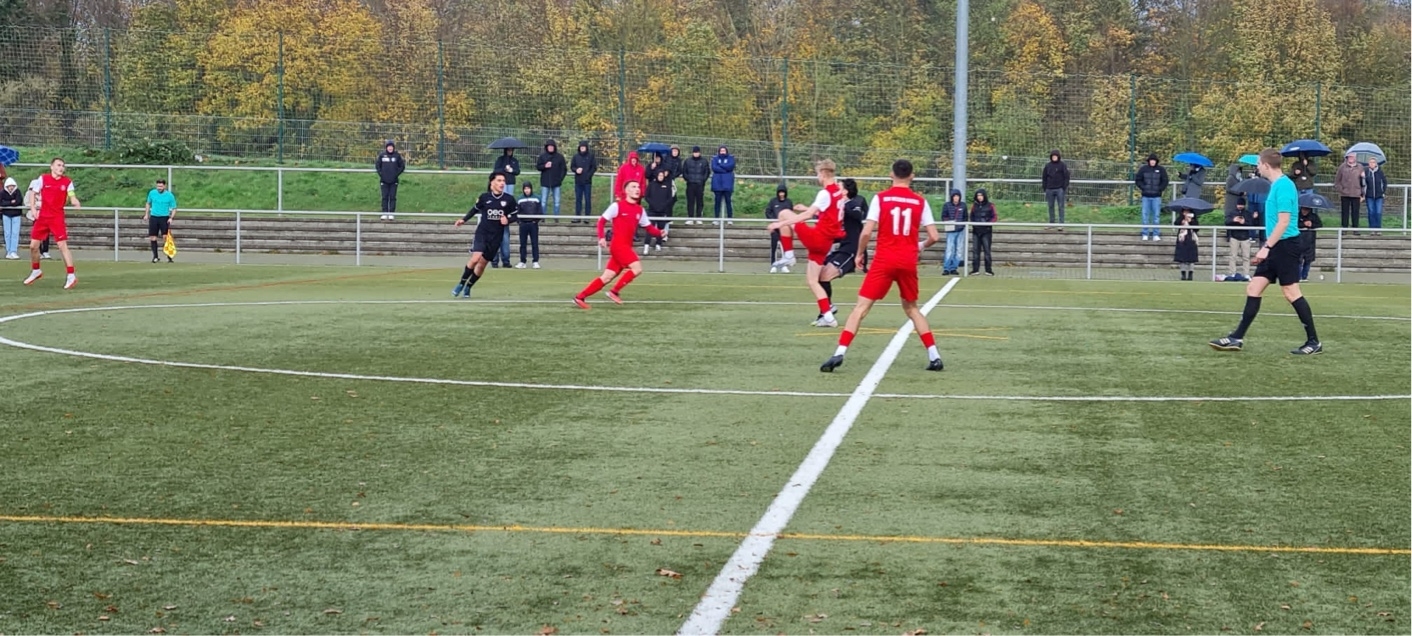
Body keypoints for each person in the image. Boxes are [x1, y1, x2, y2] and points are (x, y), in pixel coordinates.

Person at [820, 159, 943, 373]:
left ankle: (839, 352)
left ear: (891, 174)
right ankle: (934, 356)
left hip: (884, 259)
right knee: (912, 309)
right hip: (907, 260)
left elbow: (867, 232)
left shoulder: (881, 198)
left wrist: (860, 253)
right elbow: (934, 236)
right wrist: (920, 246)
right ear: (912, 176)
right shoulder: (920, 202)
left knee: (861, 308)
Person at [1209, 148, 1322, 355]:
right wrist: (1268, 247)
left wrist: (1267, 247)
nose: (1257, 167)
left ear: (1266, 165)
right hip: (1274, 246)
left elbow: (1284, 222)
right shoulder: (1276, 185)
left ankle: (1314, 342)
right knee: (1254, 288)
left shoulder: (1284, 186)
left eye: (1259, 164)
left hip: (1286, 246)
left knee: (1291, 292)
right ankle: (1236, 338)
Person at [767, 159, 846, 328]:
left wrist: (779, 224)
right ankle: (828, 317)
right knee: (812, 281)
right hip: (826, 243)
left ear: (823, 174)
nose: (817, 177)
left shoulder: (825, 193)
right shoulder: (839, 191)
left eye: (817, 174)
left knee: (784, 213)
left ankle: (789, 255)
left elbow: (808, 215)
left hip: (817, 238)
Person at [572, 180, 663, 309]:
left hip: (625, 246)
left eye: (638, 187)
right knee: (637, 269)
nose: (637, 189)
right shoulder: (617, 206)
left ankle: (580, 297)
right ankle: (614, 292)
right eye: (633, 187)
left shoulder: (640, 210)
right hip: (619, 246)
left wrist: (659, 233)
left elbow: (648, 227)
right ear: (626, 191)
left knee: (606, 277)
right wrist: (601, 238)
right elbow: (601, 222)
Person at [451, 172, 517, 298]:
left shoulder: (509, 199)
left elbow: (516, 215)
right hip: (483, 233)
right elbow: (474, 209)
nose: (502, 183)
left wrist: (508, 220)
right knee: (475, 258)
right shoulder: (484, 197)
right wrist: (463, 220)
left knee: (482, 264)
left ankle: (468, 287)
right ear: (492, 182)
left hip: (496, 237)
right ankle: (461, 283)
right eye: (499, 180)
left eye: (503, 181)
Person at [815, 178, 868, 324]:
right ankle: (826, 310)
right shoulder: (837, 206)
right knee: (818, 275)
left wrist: (843, 205)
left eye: (838, 187)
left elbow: (858, 216)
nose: (835, 190)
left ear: (845, 191)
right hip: (841, 248)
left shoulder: (853, 203)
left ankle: (827, 311)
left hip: (851, 250)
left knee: (824, 276)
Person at [23, 157, 81, 289]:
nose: (61, 168)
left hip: (56, 217)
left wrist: (74, 201)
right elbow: (33, 193)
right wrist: (33, 209)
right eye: (58, 165)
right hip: (43, 217)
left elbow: (72, 195)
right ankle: (36, 271)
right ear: (52, 167)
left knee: (62, 245)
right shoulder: (43, 179)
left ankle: (71, 275)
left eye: (63, 166)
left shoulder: (67, 182)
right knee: (33, 246)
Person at [1134, 153, 1169, 241]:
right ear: (1148, 161)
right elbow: (1138, 180)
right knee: (1145, 215)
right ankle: (1145, 233)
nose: (1152, 162)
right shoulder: (1143, 169)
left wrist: (1160, 189)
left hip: (1157, 196)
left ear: (1156, 161)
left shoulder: (1161, 169)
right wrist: (1143, 187)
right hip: (1145, 196)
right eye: (1151, 160)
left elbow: (1165, 180)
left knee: (1156, 216)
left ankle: (1155, 234)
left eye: (1154, 160)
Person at [144, 179, 178, 263]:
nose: (159, 188)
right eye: (158, 186)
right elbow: (148, 203)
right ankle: (155, 257)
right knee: (153, 237)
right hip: (154, 217)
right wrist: (146, 214)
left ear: (164, 186)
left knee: (165, 237)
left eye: (161, 186)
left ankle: (169, 256)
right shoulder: (152, 193)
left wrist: (171, 217)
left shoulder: (169, 195)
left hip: (164, 218)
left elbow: (174, 208)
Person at [643, 164, 675, 253]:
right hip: (652, 210)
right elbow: (647, 196)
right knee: (650, 228)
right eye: (659, 175)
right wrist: (652, 204)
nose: (661, 177)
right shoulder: (652, 185)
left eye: (662, 175)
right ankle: (646, 245)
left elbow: (670, 198)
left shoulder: (667, 186)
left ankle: (658, 244)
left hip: (662, 211)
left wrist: (664, 205)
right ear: (657, 175)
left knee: (661, 228)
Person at [1333, 152, 1365, 231]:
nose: (1351, 158)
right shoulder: (1342, 167)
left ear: (1355, 158)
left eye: (1352, 157)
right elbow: (1337, 181)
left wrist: (1362, 194)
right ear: (1347, 158)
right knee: (1345, 212)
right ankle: (1344, 229)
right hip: (1345, 194)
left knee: (1355, 212)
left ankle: (1355, 229)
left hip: (1356, 194)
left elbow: (1363, 182)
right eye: (1349, 157)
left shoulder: (1360, 167)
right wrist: (1341, 190)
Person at [764, 183, 793, 272]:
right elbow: (768, 212)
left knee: (785, 247)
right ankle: (773, 265)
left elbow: (791, 213)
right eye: (780, 192)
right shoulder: (773, 201)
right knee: (774, 246)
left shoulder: (788, 202)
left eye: (783, 192)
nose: (781, 194)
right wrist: (774, 221)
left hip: (785, 228)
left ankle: (784, 265)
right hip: (775, 228)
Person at [536, 139, 567, 221]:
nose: (550, 148)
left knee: (557, 201)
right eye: (549, 146)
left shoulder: (559, 157)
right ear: (546, 147)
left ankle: (556, 218)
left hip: (556, 183)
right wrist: (545, 166)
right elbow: (538, 167)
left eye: (552, 146)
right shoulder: (542, 156)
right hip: (545, 182)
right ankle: (542, 218)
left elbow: (564, 169)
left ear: (554, 147)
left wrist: (560, 179)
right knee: (543, 201)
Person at [968, 189, 996, 276]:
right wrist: (974, 225)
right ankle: (975, 269)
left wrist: (988, 224)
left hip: (986, 231)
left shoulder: (990, 205)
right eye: (978, 196)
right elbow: (971, 216)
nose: (979, 197)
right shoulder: (974, 206)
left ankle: (988, 270)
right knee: (975, 251)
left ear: (984, 196)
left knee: (987, 251)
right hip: (976, 231)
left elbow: (994, 216)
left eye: (981, 195)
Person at [1224, 196, 1253, 281]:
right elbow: (1226, 222)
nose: (1240, 206)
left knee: (1246, 257)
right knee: (1233, 256)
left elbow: (1251, 223)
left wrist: (1244, 222)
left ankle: (1246, 274)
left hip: (1245, 237)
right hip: (1234, 237)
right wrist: (1233, 220)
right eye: (1239, 205)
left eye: (1242, 205)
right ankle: (1232, 273)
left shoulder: (1248, 213)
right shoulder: (1232, 213)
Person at [375, 140, 405, 221]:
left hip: (394, 181)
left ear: (393, 147)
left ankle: (391, 213)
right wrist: (381, 174)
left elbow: (402, 166)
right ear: (386, 147)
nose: (390, 148)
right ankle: (384, 213)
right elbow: (377, 165)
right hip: (384, 180)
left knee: (392, 197)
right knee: (384, 197)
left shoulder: (397, 156)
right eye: (389, 147)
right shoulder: (382, 155)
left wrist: (396, 174)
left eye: (391, 147)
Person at [940, 189, 966, 275]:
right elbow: (943, 216)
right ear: (952, 197)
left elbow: (965, 217)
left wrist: (962, 226)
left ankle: (954, 267)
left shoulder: (963, 205)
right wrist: (950, 222)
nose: (956, 198)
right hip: (950, 230)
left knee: (959, 250)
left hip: (960, 230)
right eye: (954, 196)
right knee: (949, 249)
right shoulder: (946, 205)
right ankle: (946, 268)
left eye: (957, 196)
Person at [570, 141, 598, 223]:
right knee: (578, 199)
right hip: (578, 181)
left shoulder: (591, 156)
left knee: (587, 199)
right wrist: (576, 170)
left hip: (587, 182)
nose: (582, 148)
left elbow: (594, 167)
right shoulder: (575, 156)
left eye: (584, 147)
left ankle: (587, 217)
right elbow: (572, 167)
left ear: (586, 148)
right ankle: (577, 217)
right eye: (581, 147)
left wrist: (588, 175)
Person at [516, 181, 541, 269]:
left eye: (528, 188)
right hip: (523, 224)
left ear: (531, 189)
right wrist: (519, 222)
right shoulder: (520, 199)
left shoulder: (537, 198)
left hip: (533, 224)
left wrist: (536, 221)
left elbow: (540, 211)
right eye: (525, 189)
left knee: (534, 243)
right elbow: (517, 212)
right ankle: (522, 261)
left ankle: (535, 261)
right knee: (523, 244)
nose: (527, 190)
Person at [1042, 150, 1070, 229]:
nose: (1054, 157)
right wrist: (1045, 188)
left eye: (1055, 156)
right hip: (1049, 189)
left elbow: (1067, 176)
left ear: (1058, 156)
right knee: (1050, 206)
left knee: (1061, 206)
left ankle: (1061, 224)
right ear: (1051, 157)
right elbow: (1044, 177)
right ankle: (1051, 223)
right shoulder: (1048, 165)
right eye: (1053, 156)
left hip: (1060, 189)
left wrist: (1064, 187)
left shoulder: (1062, 165)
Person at [681, 146, 710, 224]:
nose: (696, 154)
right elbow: (684, 172)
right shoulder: (687, 161)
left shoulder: (704, 161)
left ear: (699, 152)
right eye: (694, 152)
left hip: (700, 185)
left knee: (699, 201)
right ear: (692, 153)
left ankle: (699, 217)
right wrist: (688, 179)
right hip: (690, 184)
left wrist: (702, 180)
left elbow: (707, 172)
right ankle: (690, 217)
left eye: (697, 152)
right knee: (690, 201)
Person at [1296, 200, 1323, 281]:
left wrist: (1311, 225)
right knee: (1298, 261)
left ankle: (1304, 277)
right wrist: (1303, 224)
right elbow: (1293, 224)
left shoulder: (1314, 216)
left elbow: (1319, 225)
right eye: (1303, 209)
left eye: (1307, 209)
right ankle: (1298, 277)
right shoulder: (1297, 216)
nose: (1304, 211)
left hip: (1310, 242)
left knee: (1308, 261)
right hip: (1298, 242)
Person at [24, 176, 50, 259]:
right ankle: (39, 251)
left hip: (44, 215)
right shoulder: (29, 193)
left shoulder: (44, 192)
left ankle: (45, 251)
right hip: (34, 215)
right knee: (37, 234)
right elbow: (27, 203)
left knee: (46, 234)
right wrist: (35, 206)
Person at [711, 145, 736, 225]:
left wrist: (720, 165)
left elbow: (730, 167)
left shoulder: (731, 158)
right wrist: (726, 170)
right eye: (721, 150)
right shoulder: (715, 158)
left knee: (728, 201)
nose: (722, 152)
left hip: (727, 184)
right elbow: (714, 168)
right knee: (717, 202)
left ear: (726, 151)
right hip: (717, 184)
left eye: (724, 150)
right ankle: (716, 219)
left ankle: (729, 219)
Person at [1172, 208, 1199, 280]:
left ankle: (1190, 273)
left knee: (1191, 258)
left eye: (1188, 211)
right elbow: (1176, 223)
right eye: (1185, 211)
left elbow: (1197, 228)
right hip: (1182, 240)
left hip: (1192, 240)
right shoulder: (1181, 218)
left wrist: (1191, 221)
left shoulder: (1194, 219)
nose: (1186, 213)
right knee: (1182, 257)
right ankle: (1183, 273)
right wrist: (1182, 220)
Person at [1364, 157, 1387, 235]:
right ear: (1368, 164)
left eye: (1373, 162)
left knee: (1378, 212)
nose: (1372, 164)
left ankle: (1378, 229)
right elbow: (1363, 183)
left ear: (1376, 164)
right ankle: (1372, 229)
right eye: (1370, 162)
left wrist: (1383, 191)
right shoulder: (1366, 172)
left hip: (1379, 196)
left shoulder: (1380, 172)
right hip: (1369, 196)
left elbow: (1384, 182)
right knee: (1371, 212)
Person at [1, 177, 23, 259]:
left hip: (16, 215)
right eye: (9, 186)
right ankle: (8, 251)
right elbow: (1, 202)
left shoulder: (18, 192)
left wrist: (8, 203)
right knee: (7, 233)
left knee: (15, 233)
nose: (11, 188)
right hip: (6, 215)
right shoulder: (2, 192)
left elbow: (18, 201)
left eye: (12, 186)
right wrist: (11, 202)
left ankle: (13, 251)